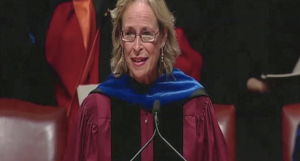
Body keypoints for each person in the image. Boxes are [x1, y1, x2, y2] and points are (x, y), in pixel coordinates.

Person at [62, 0, 230, 160]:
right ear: (120, 38)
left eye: (147, 34)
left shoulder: (194, 104)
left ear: (163, 37)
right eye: (129, 34)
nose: (136, 47)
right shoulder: (98, 107)